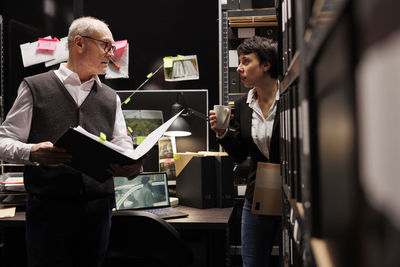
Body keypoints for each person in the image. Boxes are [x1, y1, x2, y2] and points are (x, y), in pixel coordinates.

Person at [0, 16, 144, 267]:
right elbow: (4, 141)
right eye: (105, 46)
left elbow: (122, 143)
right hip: (49, 210)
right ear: (79, 43)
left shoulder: (111, 97)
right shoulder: (35, 87)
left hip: (98, 210)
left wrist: (131, 165)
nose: (111, 54)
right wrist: (32, 152)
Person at [209, 36, 281, 267]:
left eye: (246, 61)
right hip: (258, 190)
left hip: (291, 189)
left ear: (266, 65)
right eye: (238, 62)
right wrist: (222, 133)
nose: (239, 68)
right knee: (252, 262)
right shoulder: (242, 104)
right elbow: (240, 155)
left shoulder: (290, 96)